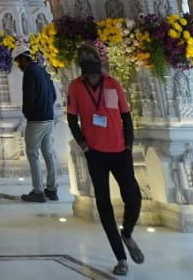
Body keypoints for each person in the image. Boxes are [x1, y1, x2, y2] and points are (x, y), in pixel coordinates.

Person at [66, 44, 145, 276]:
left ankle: (127, 233)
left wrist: (128, 146)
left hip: (120, 151)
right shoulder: (76, 87)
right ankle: (121, 258)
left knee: (133, 196)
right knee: (103, 205)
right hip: (96, 154)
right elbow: (71, 119)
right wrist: (85, 147)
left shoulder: (112, 84)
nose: (91, 73)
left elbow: (126, 116)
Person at [15, 46, 59, 202]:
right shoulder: (43, 70)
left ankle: (38, 191)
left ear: (22, 59)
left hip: (36, 119)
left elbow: (29, 96)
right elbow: (53, 95)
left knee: (33, 154)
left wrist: (28, 112)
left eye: (18, 62)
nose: (18, 66)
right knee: (49, 154)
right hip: (49, 117)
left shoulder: (29, 72)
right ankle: (52, 189)